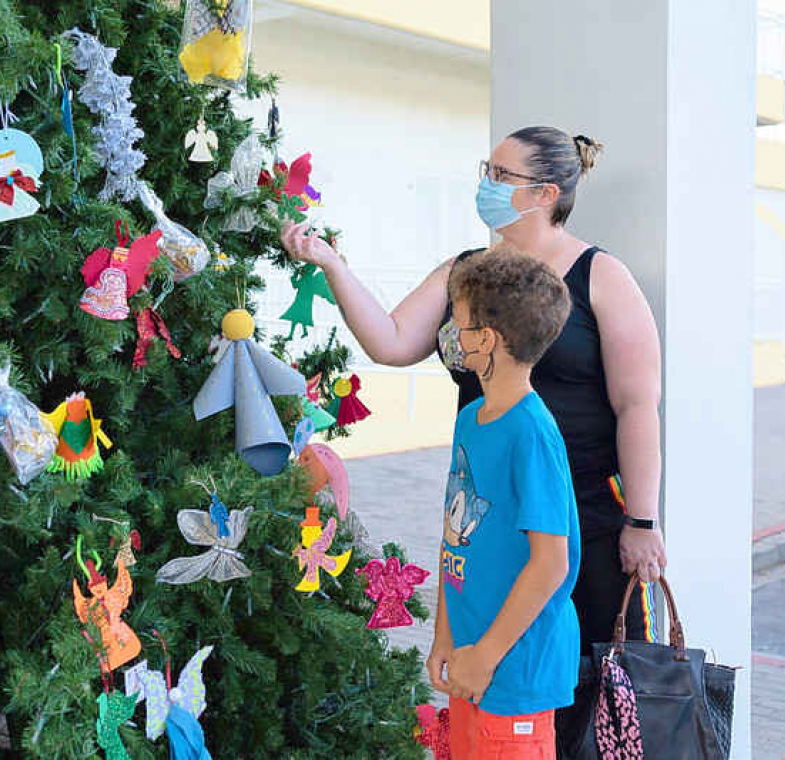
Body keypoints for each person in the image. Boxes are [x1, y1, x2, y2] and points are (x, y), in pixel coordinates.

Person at [279, 125, 666, 652]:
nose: (488, 184)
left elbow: (637, 405)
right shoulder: (466, 271)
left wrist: (642, 522)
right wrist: (332, 265)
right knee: (498, 671)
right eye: (488, 172)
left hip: (583, 516)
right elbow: (390, 341)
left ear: (546, 194)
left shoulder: (601, 276)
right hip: (485, 517)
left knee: (601, 681)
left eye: (503, 176)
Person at [429, 248, 579, 757]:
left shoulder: (532, 434)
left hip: (512, 673)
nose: (452, 330)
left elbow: (550, 564)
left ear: (487, 339)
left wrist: (487, 656)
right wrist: (444, 636)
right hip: (472, 659)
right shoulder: (470, 420)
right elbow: (456, 540)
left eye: (460, 320)